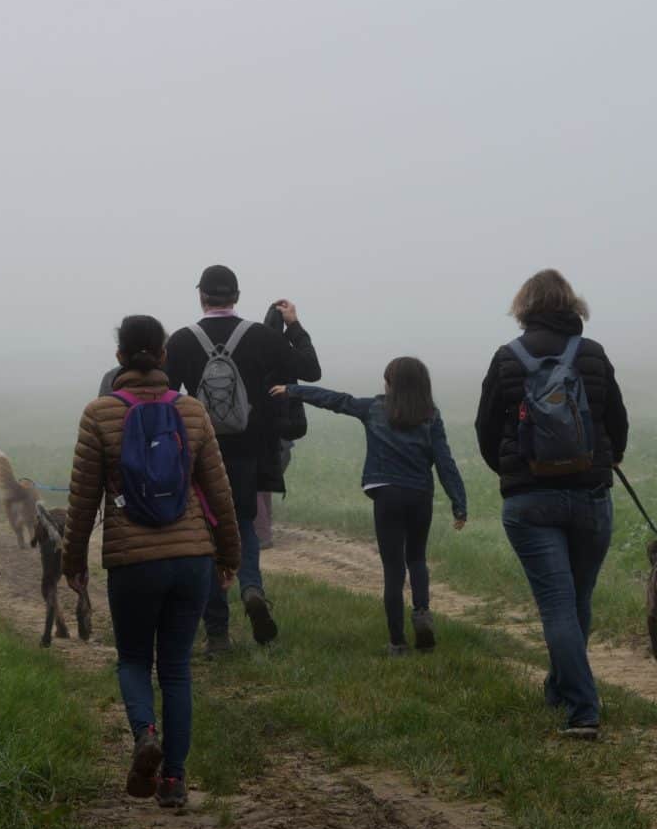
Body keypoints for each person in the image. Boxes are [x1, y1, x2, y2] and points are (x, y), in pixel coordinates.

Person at [61, 315, 240, 808]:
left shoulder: (98, 414)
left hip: (132, 561)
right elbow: (219, 493)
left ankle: (145, 734)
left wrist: (72, 561)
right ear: (163, 356)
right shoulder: (192, 411)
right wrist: (229, 556)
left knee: (136, 659)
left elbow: (81, 501)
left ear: (119, 358)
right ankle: (174, 781)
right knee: (177, 669)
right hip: (191, 558)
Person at [475, 269, 628, 740]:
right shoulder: (593, 354)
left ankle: (582, 708)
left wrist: (513, 474)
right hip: (590, 497)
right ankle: (563, 689)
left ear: (524, 307)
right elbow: (617, 422)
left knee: (558, 606)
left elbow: (485, 430)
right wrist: (603, 462)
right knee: (577, 602)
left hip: (529, 501)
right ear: (571, 305)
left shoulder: (507, 358)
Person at [166, 266, 321, 652]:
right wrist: (294, 326)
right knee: (246, 526)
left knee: (207, 537)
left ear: (201, 296)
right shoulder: (263, 337)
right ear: (236, 296)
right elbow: (310, 370)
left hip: (202, 453)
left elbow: (165, 394)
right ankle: (252, 589)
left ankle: (217, 633)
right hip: (252, 453)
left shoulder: (182, 341)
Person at [272, 357, 467, 654]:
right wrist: (459, 502)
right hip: (419, 495)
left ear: (390, 385)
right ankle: (422, 614)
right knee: (416, 558)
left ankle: (397, 642)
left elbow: (335, 400)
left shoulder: (374, 408)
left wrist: (293, 390)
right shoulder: (431, 415)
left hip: (387, 494)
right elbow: (445, 461)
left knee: (393, 568)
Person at [256, 301, 313, 548]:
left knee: (256, 483)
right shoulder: (287, 353)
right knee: (265, 480)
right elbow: (313, 369)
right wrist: (295, 326)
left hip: (257, 427)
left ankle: (260, 534)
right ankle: (263, 531)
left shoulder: (252, 350)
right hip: (285, 428)